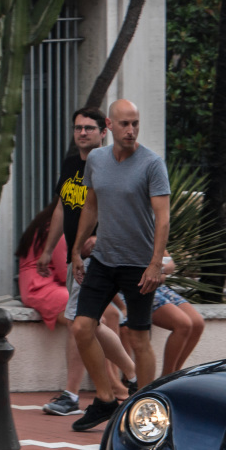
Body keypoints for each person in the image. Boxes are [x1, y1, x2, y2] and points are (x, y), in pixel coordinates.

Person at [68, 98, 171, 432]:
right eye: (124, 124)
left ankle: (144, 408)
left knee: (139, 339)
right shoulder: (96, 159)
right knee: (82, 327)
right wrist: (75, 251)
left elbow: (163, 218)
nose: (131, 130)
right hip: (104, 259)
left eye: (135, 123)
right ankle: (105, 399)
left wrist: (155, 264)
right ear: (109, 126)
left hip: (139, 265)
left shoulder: (152, 164)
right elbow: (91, 206)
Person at [34, 107, 137, 416]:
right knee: (85, 322)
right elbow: (62, 208)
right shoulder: (71, 165)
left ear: (103, 132)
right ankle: (133, 376)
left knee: (79, 320)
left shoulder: (111, 165)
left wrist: (100, 241)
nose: (82, 133)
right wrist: (48, 249)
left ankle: (73, 393)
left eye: (89, 128)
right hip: (75, 257)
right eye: (78, 128)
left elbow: (126, 212)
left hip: (99, 258)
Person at [17, 202, 133, 415]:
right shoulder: (62, 231)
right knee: (84, 321)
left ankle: (115, 381)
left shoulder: (47, 223)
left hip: (42, 285)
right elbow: (68, 273)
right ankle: (110, 383)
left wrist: (118, 304)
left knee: (106, 316)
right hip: (42, 287)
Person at [118, 254, 205, 380]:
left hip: (158, 285)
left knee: (197, 323)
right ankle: (166, 378)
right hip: (137, 285)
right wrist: (158, 270)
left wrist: (159, 270)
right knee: (183, 324)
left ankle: (174, 373)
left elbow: (170, 265)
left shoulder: (154, 236)